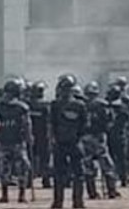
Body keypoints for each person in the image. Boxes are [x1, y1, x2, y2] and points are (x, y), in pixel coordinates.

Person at [50, 75, 89, 209]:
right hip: (65, 143)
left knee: (76, 174)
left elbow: (84, 124)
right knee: (64, 175)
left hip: (71, 142)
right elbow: (52, 124)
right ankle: (63, 202)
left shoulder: (78, 105)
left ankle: (74, 202)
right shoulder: (56, 105)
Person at [0, 78, 33, 204]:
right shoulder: (22, 107)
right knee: (21, 168)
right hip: (17, 142)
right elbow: (27, 125)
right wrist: (29, 137)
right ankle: (21, 195)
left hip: (5, 141)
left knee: (5, 168)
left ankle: (5, 195)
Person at [82, 81, 121, 199]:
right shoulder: (102, 105)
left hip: (86, 137)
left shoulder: (81, 104)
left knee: (89, 166)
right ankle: (111, 191)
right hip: (98, 137)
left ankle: (92, 192)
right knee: (107, 165)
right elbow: (110, 121)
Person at [107, 84, 129, 188]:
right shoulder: (122, 106)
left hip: (114, 135)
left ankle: (117, 178)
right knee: (121, 158)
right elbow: (128, 120)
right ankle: (122, 178)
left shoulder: (109, 106)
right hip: (119, 135)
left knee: (115, 158)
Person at [29, 80, 53, 189]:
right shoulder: (46, 105)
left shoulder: (27, 104)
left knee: (31, 158)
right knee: (44, 159)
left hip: (32, 135)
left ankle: (29, 180)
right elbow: (49, 122)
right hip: (43, 136)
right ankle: (45, 179)